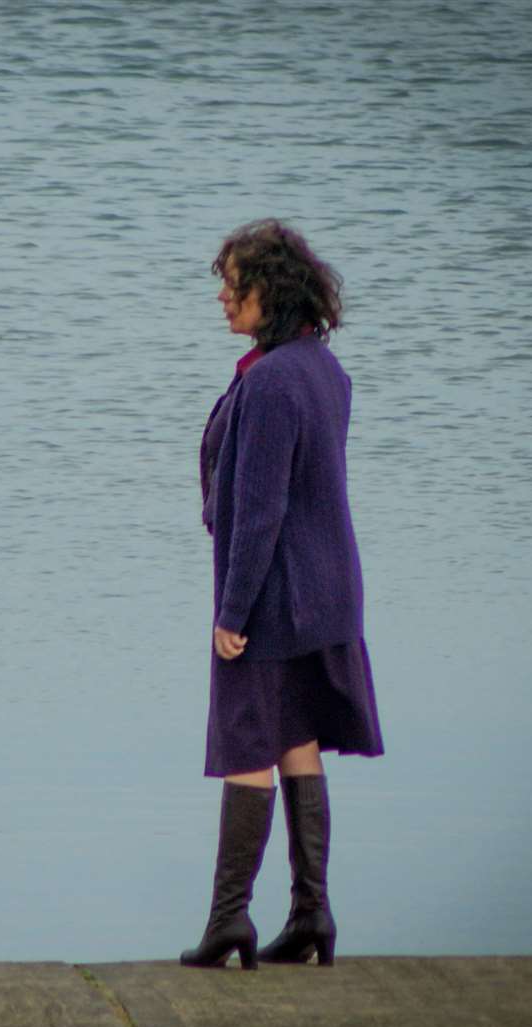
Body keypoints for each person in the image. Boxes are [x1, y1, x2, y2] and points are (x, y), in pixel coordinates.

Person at [181, 219, 384, 971]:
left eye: (235, 285)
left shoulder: (269, 382)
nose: (224, 298)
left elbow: (258, 508)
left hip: (272, 597)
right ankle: (311, 915)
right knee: (296, 737)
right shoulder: (322, 368)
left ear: (274, 288)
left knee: (246, 746)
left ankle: (229, 919)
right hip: (327, 588)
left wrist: (231, 615)